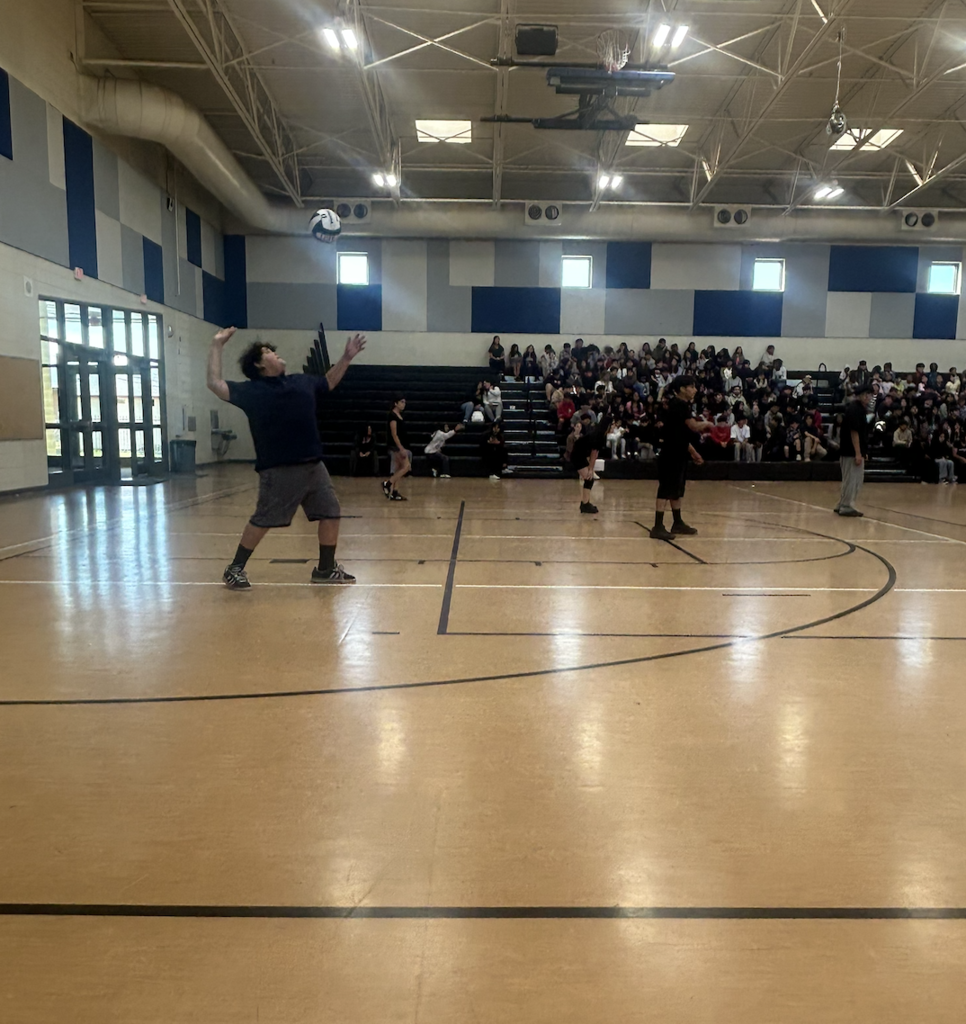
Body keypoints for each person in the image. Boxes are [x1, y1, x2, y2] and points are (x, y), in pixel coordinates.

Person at [206, 327, 366, 589]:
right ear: (259, 364)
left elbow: (328, 381)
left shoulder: (301, 381)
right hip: (279, 469)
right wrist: (216, 345)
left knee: (330, 512)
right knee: (265, 518)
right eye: (268, 352)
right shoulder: (251, 392)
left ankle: (325, 569)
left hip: (314, 465)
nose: (275, 354)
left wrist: (346, 358)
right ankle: (235, 568)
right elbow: (215, 384)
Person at [650, 375, 714, 540]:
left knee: (676, 489)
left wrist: (693, 453)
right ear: (682, 389)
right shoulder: (679, 405)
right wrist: (707, 424)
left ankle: (677, 522)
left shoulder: (678, 405)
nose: (695, 390)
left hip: (678, 451)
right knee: (666, 488)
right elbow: (692, 426)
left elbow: (680, 435)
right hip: (670, 453)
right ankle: (657, 526)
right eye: (692, 387)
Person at [835, 383, 873, 517]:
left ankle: (842, 503)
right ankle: (847, 505)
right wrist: (858, 453)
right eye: (867, 394)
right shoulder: (856, 410)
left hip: (847, 450)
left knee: (848, 479)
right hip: (851, 451)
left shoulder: (855, 409)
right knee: (854, 480)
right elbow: (854, 432)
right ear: (861, 395)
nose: (869, 397)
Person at [571, 413, 608, 514]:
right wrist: (591, 469)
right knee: (589, 479)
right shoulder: (599, 435)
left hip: (580, 454)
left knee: (589, 479)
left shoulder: (599, 433)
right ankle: (585, 504)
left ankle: (585, 503)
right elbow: (594, 453)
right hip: (577, 455)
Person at [383, 395, 411, 501]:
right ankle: (387, 483)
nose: (404, 404)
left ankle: (395, 492)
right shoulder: (392, 416)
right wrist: (401, 448)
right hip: (395, 446)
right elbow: (394, 434)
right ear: (396, 403)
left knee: (399, 469)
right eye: (402, 402)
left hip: (400, 445)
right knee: (406, 467)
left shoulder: (399, 415)